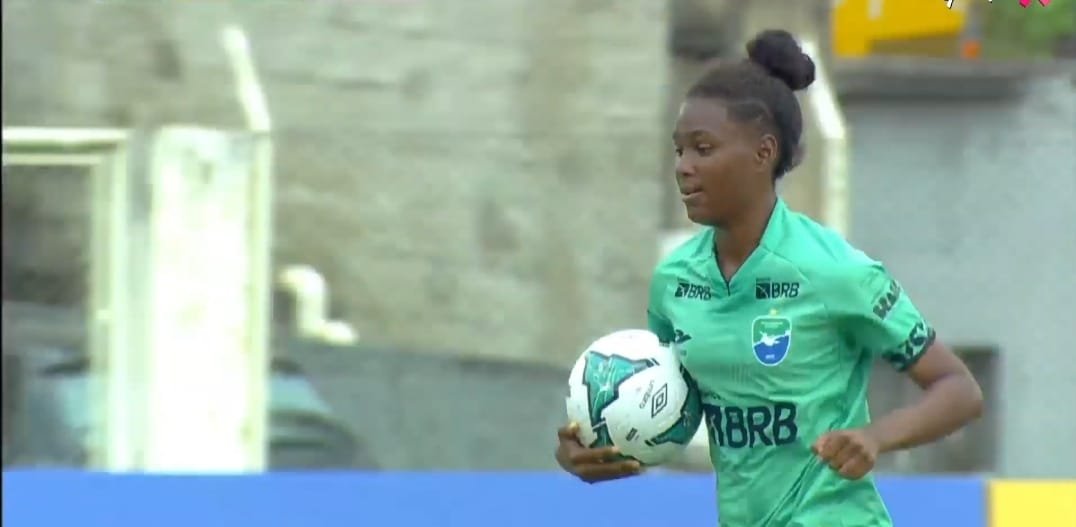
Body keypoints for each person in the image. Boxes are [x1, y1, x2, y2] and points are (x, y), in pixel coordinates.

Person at [554, 29, 984, 526]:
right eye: (679, 151)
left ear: (763, 153)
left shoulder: (835, 271)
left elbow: (959, 389)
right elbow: (671, 402)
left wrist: (875, 437)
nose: (684, 168)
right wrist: (600, 443)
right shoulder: (673, 281)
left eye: (703, 148)